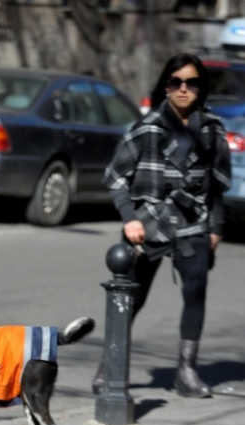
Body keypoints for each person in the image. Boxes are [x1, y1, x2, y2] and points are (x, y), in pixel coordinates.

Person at [96, 53, 230, 398]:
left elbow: (217, 186)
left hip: (193, 225)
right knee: (132, 299)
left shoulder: (212, 129)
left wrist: (215, 228)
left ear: (201, 88)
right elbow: (116, 179)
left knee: (195, 294)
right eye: (176, 82)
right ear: (166, 86)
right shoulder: (146, 128)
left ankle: (186, 371)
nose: (184, 89)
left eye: (192, 83)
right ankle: (109, 368)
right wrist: (130, 219)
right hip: (147, 226)